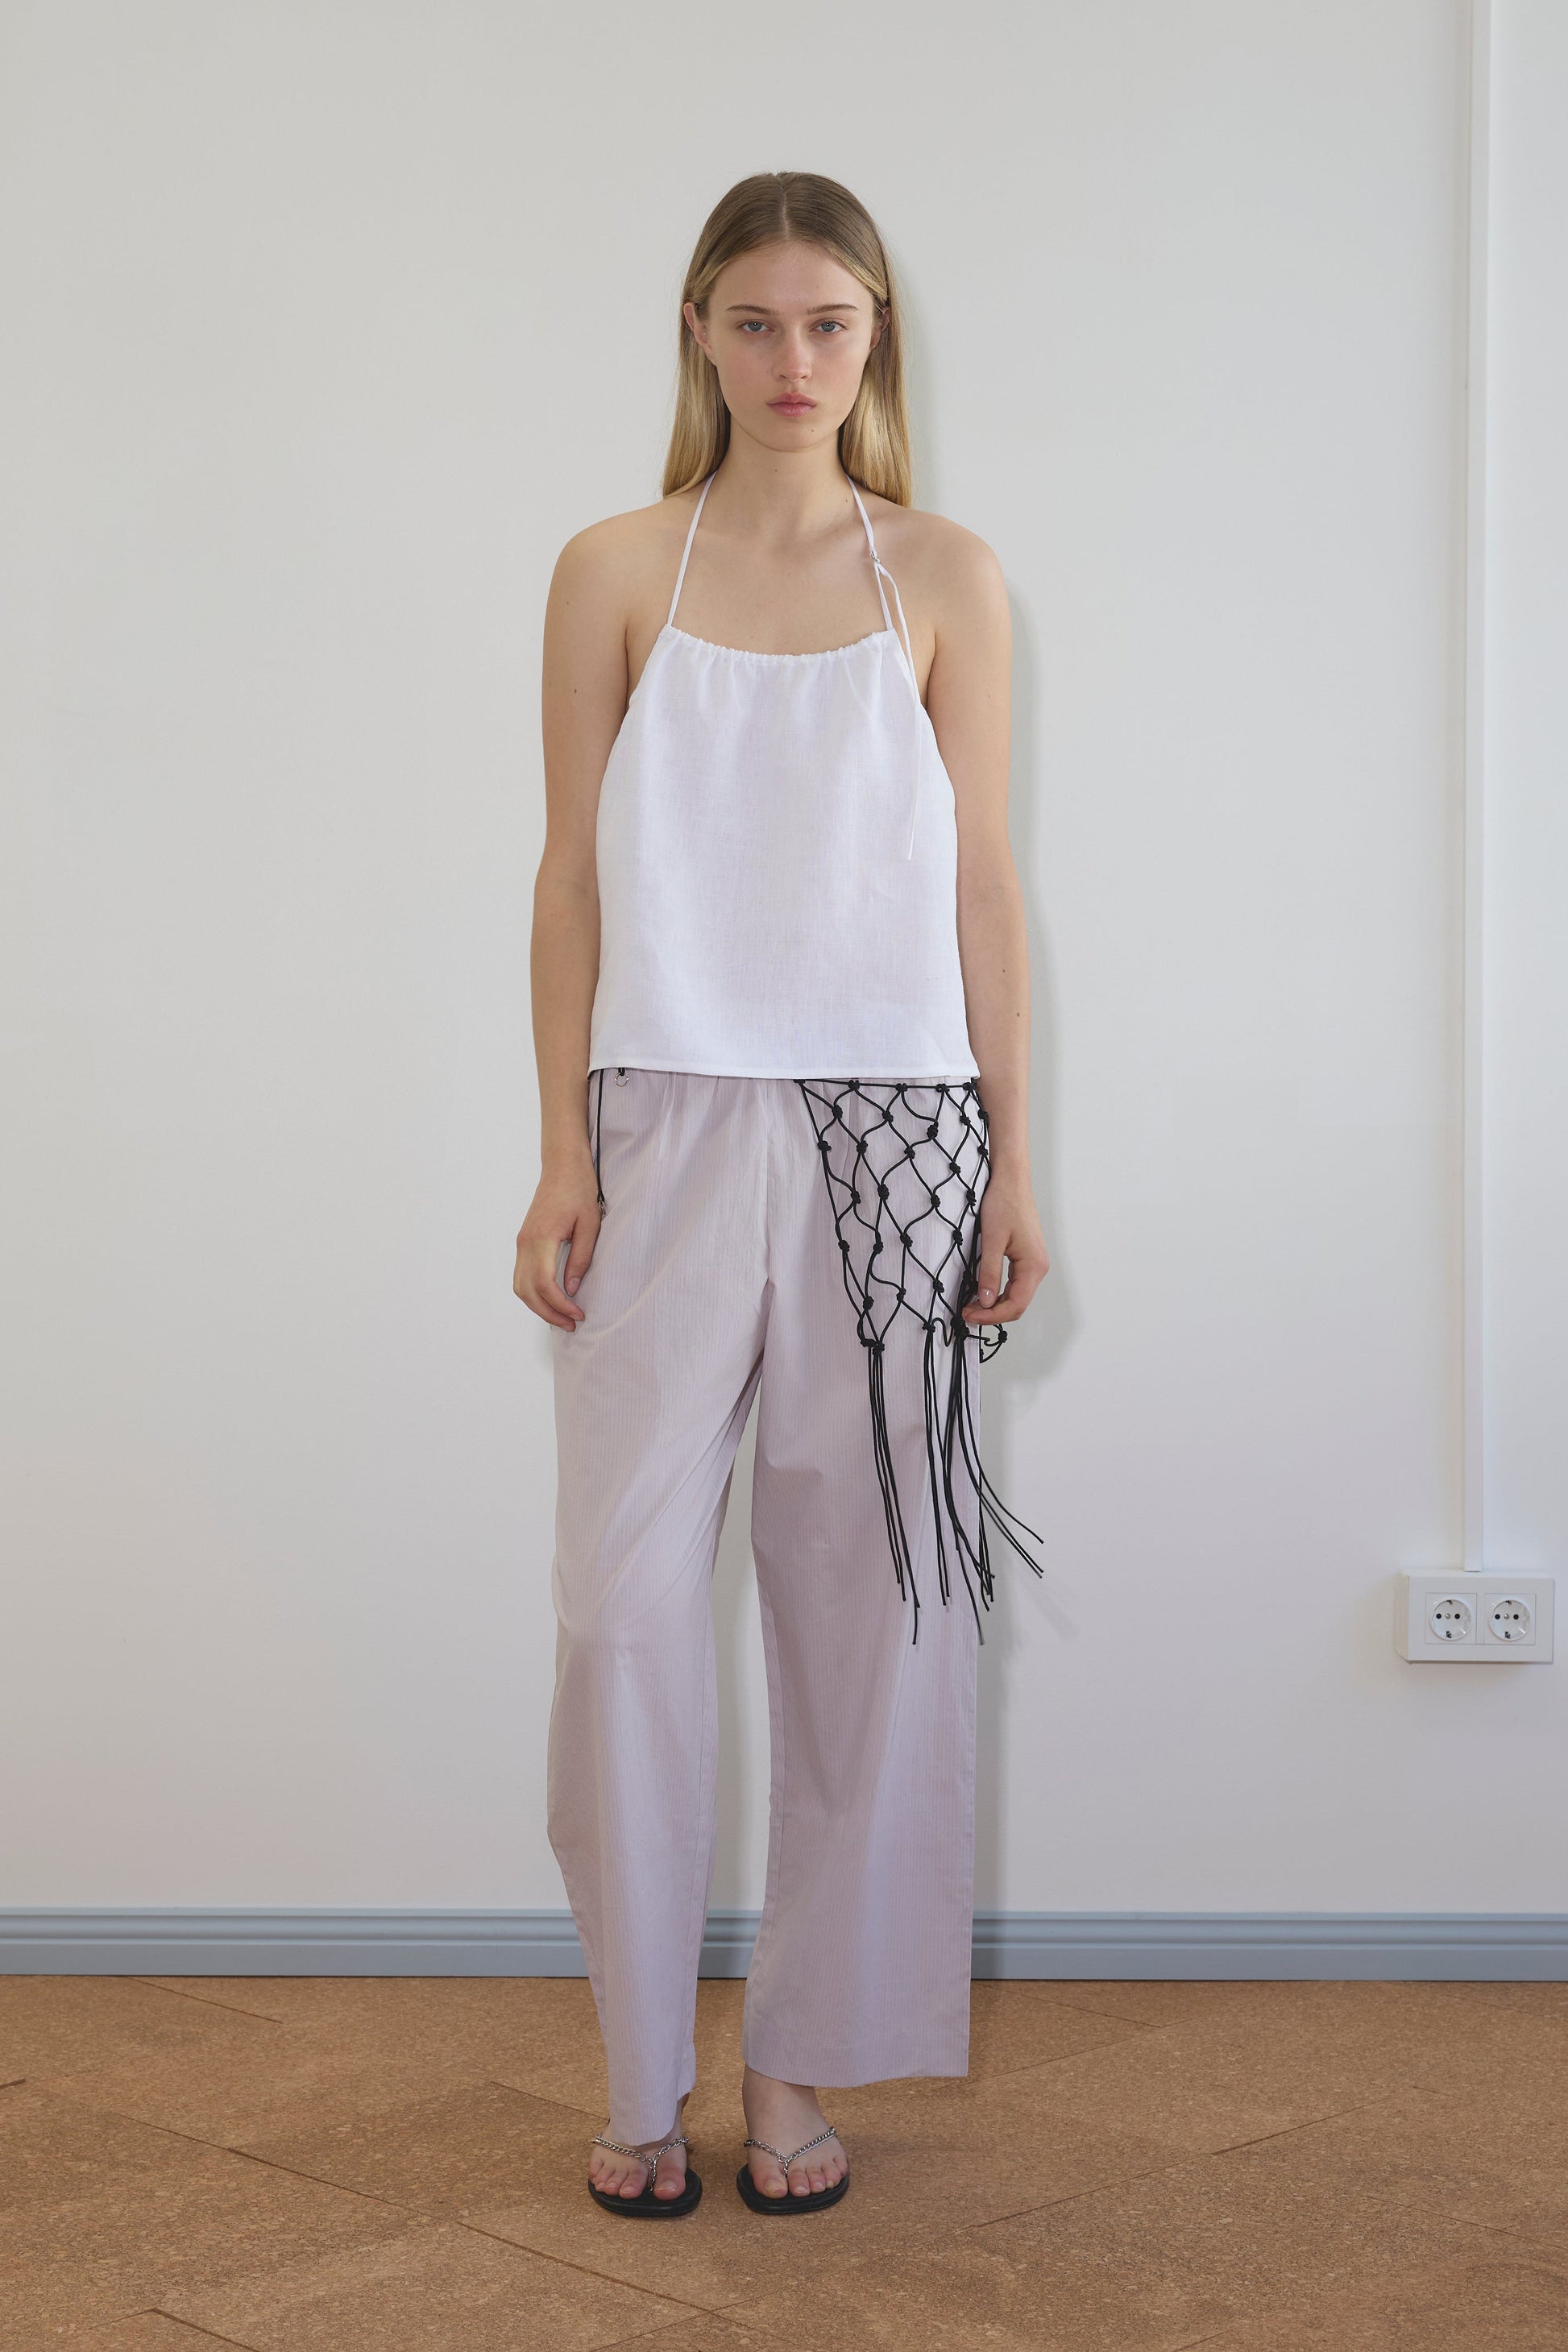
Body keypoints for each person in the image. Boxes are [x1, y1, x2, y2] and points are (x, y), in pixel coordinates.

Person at [513, 170, 1049, 2219]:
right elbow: (569, 873)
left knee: (873, 1614)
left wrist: (1015, 1150)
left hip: (898, 1139)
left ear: (875, 338)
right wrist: (564, 1144)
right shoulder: (610, 568)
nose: (795, 363)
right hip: (663, 1121)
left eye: (831, 324)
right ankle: (643, 2074)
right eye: (756, 323)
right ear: (698, 334)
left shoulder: (950, 579)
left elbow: (979, 881)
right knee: (621, 1610)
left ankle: (799, 2069)